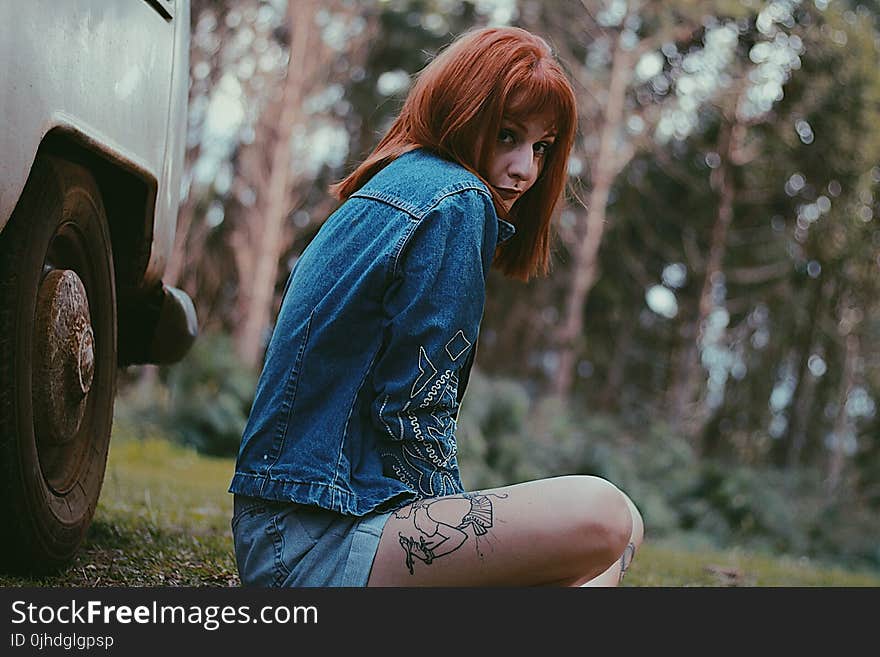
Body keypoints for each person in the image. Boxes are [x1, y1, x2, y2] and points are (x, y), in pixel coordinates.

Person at [229, 25, 644, 587]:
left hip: (285, 530)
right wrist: (462, 545)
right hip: (319, 541)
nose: (526, 169)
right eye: (506, 135)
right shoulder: (457, 201)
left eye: (541, 147)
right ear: (462, 113)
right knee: (607, 515)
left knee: (623, 535)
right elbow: (415, 410)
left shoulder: (400, 182)